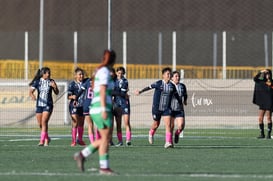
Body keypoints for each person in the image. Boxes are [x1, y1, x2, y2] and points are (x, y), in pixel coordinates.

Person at [74, 49, 116, 175]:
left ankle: (82, 155)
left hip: (99, 107)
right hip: (100, 108)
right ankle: (103, 167)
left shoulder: (102, 71)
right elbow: (102, 90)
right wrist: (104, 109)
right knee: (105, 139)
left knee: (105, 138)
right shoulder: (104, 71)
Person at [135, 67, 182, 148]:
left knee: (168, 124)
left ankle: (167, 142)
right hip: (156, 108)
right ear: (163, 75)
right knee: (156, 124)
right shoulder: (159, 83)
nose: (169, 75)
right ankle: (151, 132)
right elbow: (149, 87)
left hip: (166, 108)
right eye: (167, 74)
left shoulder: (172, 86)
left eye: (170, 74)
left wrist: (180, 103)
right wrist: (140, 91)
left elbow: (177, 95)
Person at [29, 67, 59, 146]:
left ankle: (42, 140)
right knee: (40, 124)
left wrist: (55, 87)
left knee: (44, 121)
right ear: (43, 74)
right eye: (47, 73)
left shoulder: (51, 81)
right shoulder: (37, 82)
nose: (48, 74)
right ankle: (47, 138)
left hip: (48, 104)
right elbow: (31, 91)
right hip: (39, 105)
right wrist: (32, 95)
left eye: (49, 73)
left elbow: (57, 92)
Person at [112, 66, 132, 146]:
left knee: (126, 122)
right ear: (116, 73)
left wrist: (114, 92)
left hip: (124, 103)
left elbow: (123, 94)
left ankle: (128, 139)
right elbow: (113, 92)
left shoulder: (125, 81)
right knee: (118, 123)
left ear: (123, 74)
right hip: (116, 104)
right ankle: (120, 141)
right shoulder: (113, 81)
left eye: (121, 73)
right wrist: (117, 92)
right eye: (118, 73)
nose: (120, 74)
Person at [68, 67, 86, 146]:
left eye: (82, 74)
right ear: (75, 76)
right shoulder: (72, 84)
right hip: (74, 105)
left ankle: (80, 140)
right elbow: (68, 96)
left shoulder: (86, 83)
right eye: (79, 74)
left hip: (83, 105)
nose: (81, 76)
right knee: (75, 122)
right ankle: (74, 140)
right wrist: (73, 97)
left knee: (81, 123)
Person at [253, 69, 273, 139]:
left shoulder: (270, 82)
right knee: (260, 118)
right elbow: (255, 79)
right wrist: (261, 72)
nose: (266, 74)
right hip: (263, 102)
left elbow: (270, 85)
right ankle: (262, 134)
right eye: (266, 73)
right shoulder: (260, 81)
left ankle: (268, 134)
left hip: (269, 102)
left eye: (268, 73)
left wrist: (268, 78)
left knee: (269, 118)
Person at [170, 71, 187, 144]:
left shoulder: (182, 86)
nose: (178, 77)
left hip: (179, 109)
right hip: (170, 109)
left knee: (181, 126)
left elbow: (185, 94)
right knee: (171, 126)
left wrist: (185, 101)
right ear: (172, 78)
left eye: (178, 76)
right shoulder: (169, 86)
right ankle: (169, 142)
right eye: (176, 76)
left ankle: (177, 134)